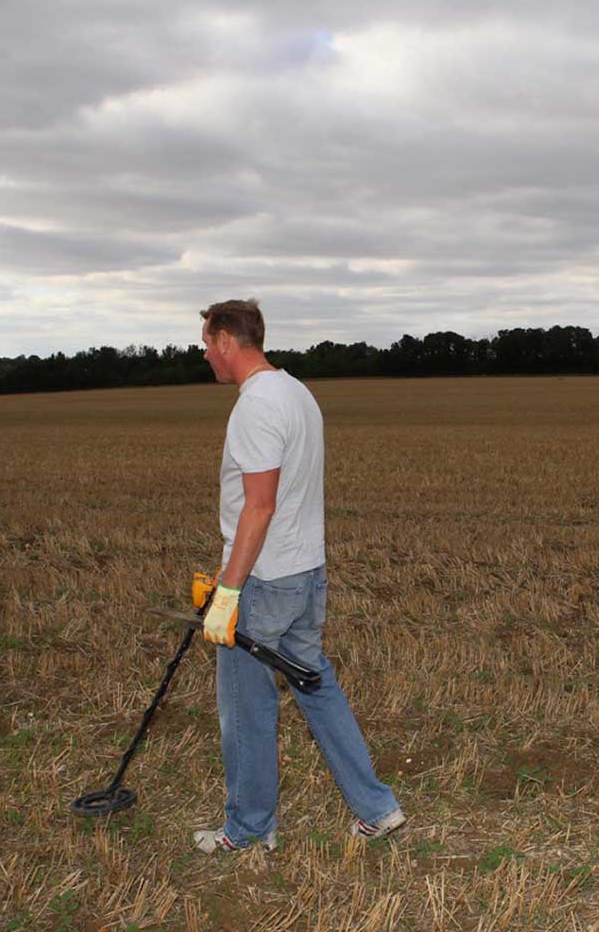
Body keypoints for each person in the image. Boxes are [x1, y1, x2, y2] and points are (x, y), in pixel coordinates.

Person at [190, 298, 405, 854]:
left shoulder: (256, 406)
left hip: (267, 580)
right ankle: (377, 808)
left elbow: (258, 507)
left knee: (245, 706)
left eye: (208, 344)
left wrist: (228, 593)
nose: (206, 355)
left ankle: (249, 829)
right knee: (314, 684)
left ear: (228, 341)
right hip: (307, 570)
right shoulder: (297, 393)